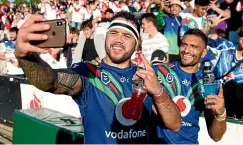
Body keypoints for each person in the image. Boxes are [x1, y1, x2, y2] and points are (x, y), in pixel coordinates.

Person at [14, 11, 181, 144]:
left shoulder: (146, 77)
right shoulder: (89, 72)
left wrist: (159, 92)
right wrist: (26, 57)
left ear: (137, 44)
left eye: (127, 35)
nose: (118, 40)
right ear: (106, 36)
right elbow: (50, 81)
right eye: (114, 32)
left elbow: (174, 124)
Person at [151, 29, 226, 144]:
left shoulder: (207, 82)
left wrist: (221, 113)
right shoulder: (160, 71)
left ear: (204, 53)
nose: (186, 50)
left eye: (194, 47)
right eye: (184, 45)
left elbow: (215, 136)